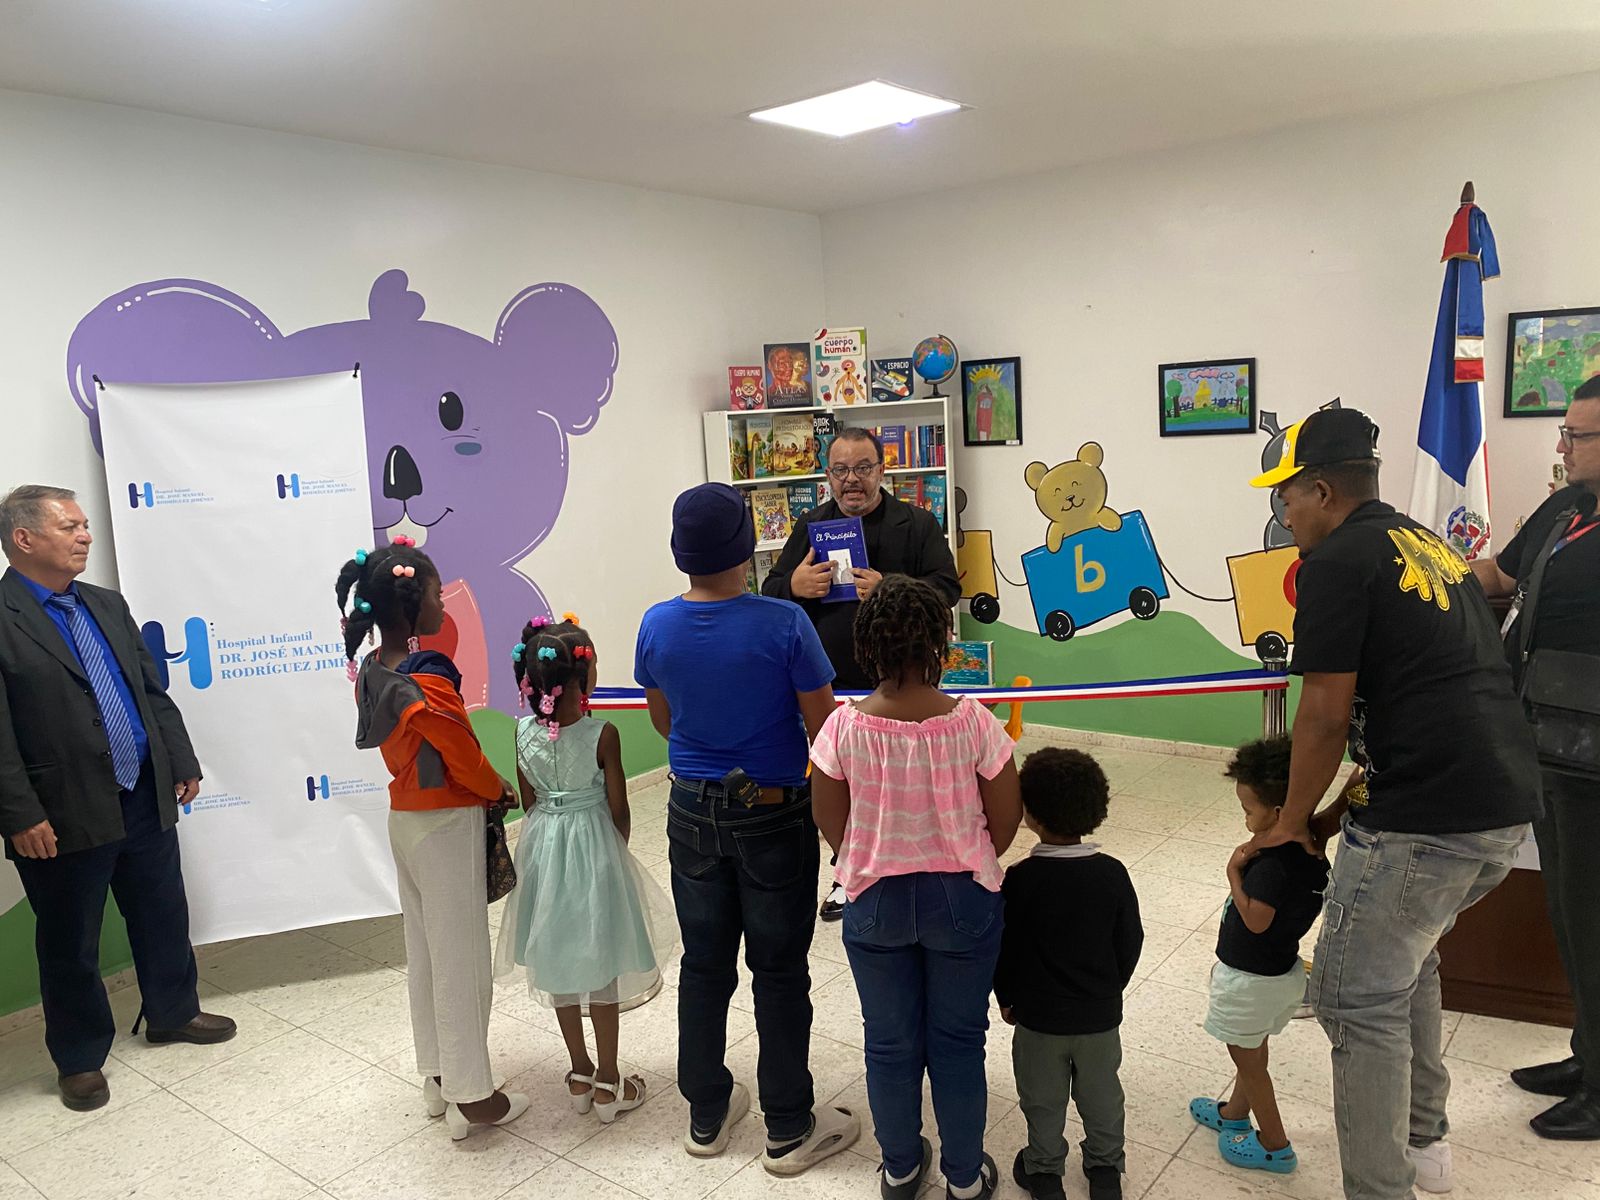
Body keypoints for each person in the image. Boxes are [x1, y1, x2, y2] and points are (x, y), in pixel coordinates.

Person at [1247, 408, 1542, 1200]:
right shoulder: (1427, 545)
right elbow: (1415, 710)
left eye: (1287, 500)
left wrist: (1280, 826)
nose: (1284, 516)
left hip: (1428, 820)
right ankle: (1424, 1144)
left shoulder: (1337, 560)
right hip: (1500, 805)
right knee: (1410, 962)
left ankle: (1381, 1189)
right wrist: (1322, 819)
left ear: (1319, 489)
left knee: (1356, 1000)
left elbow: (1325, 714)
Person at [635, 482, 860, 1173]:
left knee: (704, 967)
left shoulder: (656, 624)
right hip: (774, 813)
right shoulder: (783, 623)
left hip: (690, 813)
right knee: (779, 971)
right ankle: (788, 1126)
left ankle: (707, 1115)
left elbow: (665, 721)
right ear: (745, 547)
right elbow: (825, 731)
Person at [1, 485, 235, 1113]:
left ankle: (173, 1012)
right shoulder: (2, 617)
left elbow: (148, 691)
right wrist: (20, 813)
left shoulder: (107, 604)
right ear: (25, 539)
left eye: (84, 525)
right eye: (70, 526)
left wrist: (179, 758)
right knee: (69, 939)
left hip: (142, 790)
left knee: (162, 911)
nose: (85, 535)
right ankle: (78, 1059)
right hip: (61, 811)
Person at [810, 574, 1023, 1200]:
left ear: (867, 644)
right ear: (941, 642)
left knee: (889, 1041)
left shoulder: (842, 729)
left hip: (874, 899)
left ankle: (900, 1168)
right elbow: (1005, 818)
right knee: (959, 1041)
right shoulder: (974, 723)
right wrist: (965, 852)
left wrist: (865, 854)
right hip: (963, 896)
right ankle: (963, 1177)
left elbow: (830, 818)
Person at [337, 539, 529, 1140]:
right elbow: (463, 756)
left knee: (424, 953)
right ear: (411, 601)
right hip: (446, 823)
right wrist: (497, 786)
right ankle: (474, 1096)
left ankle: (438, 1075)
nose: (442, 600)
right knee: (461, 960)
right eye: (435, 591)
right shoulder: (429, 681)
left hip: (405, 821)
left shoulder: (373, 669)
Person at [1472, 374, 1600, 1141]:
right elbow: (1497, 575)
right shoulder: (1564, 509)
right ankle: (1587, 1057)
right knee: (1570, 908)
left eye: (1577, 436)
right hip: (1553, 743)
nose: (1563, 446)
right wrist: (1423, 578)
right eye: (1566, 431)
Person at [762, 427, 960, 921]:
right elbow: (769, 591)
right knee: (840, 785)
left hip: (902, 685)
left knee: (903, 783)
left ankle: (916, 864)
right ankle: (845, 873)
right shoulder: (810, 525)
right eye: (841, 470)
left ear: (881, 471)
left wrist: (895, 586)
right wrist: (795, 584)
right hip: (827, 687)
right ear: (827, 474)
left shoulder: (915, 524)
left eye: (863, 468)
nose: (852, 480)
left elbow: (948, 587)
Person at [494, 614, 675, 1124]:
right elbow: (620, 809)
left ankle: (579, 1071)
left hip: (544, 848)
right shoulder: (603, 733)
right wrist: (612, 853)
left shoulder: (522, 732)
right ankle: (609, 1082)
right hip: (594, 849)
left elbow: (528, 800)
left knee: (559, 962)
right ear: (581, 680)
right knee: (601, 963)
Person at [995, 748, 1141, 1200]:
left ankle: (1043, 1171)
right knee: (1102, 1097)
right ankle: (1104, 1169)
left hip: (1038, 1019)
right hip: (1099, 1017)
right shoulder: (1113, 874)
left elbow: (1005, 949)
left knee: (1042, 1099)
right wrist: (1108, 988)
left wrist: (1007, 997)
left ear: (1029, 814)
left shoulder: (1019, 880)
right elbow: (1130, 941)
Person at [1188, 737, 1329, 1179]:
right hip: (1280, 973)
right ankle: (1233, 1112)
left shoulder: (1271, 866)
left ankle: (1274, 1144)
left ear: (1279, 812)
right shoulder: (1309, 844)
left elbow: (1255, 921)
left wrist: (1234, 873)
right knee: (1253, 1053)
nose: (1246, 819)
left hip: (1250, 981)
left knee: (1249, 1060)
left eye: (1249, 810)